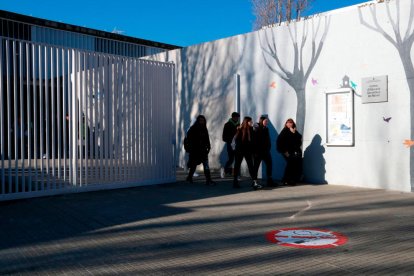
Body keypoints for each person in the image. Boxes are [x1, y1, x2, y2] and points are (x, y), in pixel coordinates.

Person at [232, 116, 262, 190]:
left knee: (250, 166)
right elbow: (237, 140)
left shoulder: (252, 129)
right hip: (240, 151)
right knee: (237, 165)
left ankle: (254, 181)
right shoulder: (240, 129)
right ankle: (235, 181)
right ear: (246, 122)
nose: (251, 122)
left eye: (251, 121)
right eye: (250, 121)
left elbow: (253, 140)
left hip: (248, 151)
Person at [185, 115, 215, 185]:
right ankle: (189, 177)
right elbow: (187, 140)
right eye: (200, 120)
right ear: (198, 121)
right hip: (195, 151)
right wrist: (189, 149)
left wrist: (209, 146)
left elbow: (207, 139)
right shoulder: (193, 129)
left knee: (206, 165)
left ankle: (208, 180)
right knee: (193, 165)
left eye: (203, 120)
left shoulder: (204, 129)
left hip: (203, 151)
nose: (202, 121)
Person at [276, 118, 303, 185]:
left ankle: (287, 179)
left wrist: (294, 133)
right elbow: (279, 142)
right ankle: (287, 180)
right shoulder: (284, 131)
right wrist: (284, 151)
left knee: (292, 164)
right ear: (286, 124)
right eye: (288, 123)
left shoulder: (294, 131)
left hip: (294, 152)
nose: (289, 124)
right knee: (291, 164)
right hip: (286, 151)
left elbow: (299, 140)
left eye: (291, 123)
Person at [253, 115, 276, 187]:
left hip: (266, 151)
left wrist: (268, 148)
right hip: (258, 152)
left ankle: (269, 180)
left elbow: (268, 140)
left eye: (267, 121)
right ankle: (254, 181)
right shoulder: (256, 128)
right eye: (265, 121)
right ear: (261, 121)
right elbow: (254, 141)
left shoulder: (266, 129)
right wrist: (256, 151)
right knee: (256, 166)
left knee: (269, 164)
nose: (267, 122)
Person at [222, 112, 240, 178]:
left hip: (237, 145)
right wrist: (231, 140)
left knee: (237, 159)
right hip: (230, 145)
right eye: (236, 117)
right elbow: (224, 137)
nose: (237, 119)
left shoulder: (238, 125)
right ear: (233, 117)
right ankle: (225, 170)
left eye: (238, 117)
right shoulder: (227, 125)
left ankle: (235, 173)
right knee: (231, 159)